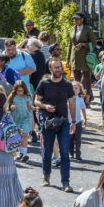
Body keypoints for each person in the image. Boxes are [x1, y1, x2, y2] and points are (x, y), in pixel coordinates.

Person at [35, 59, 77, 191]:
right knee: (47, 152)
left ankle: (66, 182)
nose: (58, 69)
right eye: (56, 67)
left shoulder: (67, 84)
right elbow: (36, 100)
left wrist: (74, 121)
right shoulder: (44, 83)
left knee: (65, 153)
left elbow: (71, 103)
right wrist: (45, 106)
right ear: (50, 69)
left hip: (63, 121)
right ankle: (46, 176)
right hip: (48, 122)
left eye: (59, 67)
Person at [67, 13, 96, 101]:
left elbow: (93, 43)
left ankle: (87, 97)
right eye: (74, 19)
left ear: (82, 19)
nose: (75, 20)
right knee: (76, 77)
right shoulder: (72, 29)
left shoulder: (88, 29)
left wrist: (84, 44)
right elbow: (70, 44)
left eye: (77, 19)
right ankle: (78, 96)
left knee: (87, 77)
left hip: (84, 55)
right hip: (74, 55)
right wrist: (68, 58)